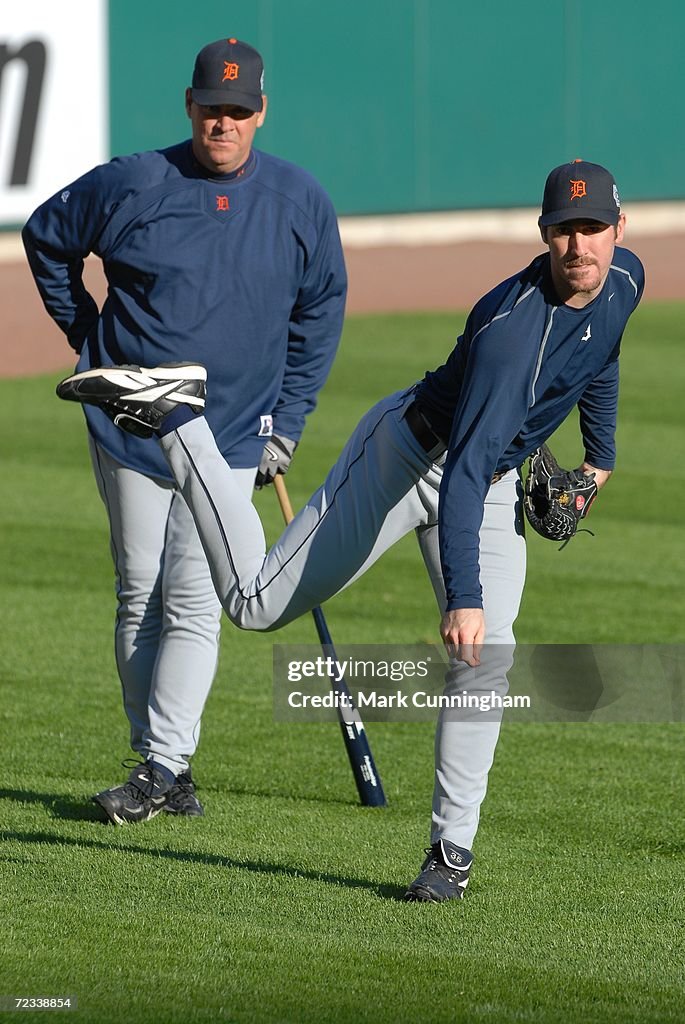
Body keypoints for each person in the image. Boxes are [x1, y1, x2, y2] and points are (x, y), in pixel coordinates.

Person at [56, 160, 644, 898]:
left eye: (592, 229)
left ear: (619, 230)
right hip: (409, 458)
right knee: (255, 604)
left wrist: (602, 458)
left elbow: (601, 352)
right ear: (542, 232)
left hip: (486, 479)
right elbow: (461, 475)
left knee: (484, 663)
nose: (578, 246)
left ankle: (449, 856)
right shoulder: (509, 333)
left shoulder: (624, 278)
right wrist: (462, 597)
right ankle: (176, 415)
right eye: (564, 230)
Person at [22, 38, 347, 825]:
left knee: (197, 601)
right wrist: (88, 336)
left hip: (234, 433)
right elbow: (45, 237)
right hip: (131, 426)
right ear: (189, 106)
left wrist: (290, 420)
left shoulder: (299, 201)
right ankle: (158, 762)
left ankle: (164, 763)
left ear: (260, 112)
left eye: (238, 111)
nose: (223, 124)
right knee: (140, 592)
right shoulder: (133, 181)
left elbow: (319, 313)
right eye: (211, 110)